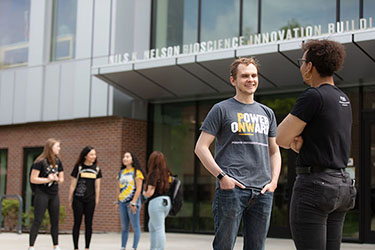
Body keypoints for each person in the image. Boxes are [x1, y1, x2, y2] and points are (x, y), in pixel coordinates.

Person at [276, 39, 356, 250]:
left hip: (315, 187)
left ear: (310, 66)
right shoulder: (343, 99)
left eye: (302, 62)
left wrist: (296, 140)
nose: (301, 66)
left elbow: (281, 137)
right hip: (341, 186)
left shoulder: (313, 96)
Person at [194, 57, 281, 250]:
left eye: (254, 75)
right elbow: (200, 147)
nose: (251, 79)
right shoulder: (221, 109)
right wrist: (222, 177)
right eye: (245, 76)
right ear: (233, 80)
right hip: (231, 191)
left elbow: (274, 151)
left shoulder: (267, 113)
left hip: (262, 192)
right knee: (224, 247)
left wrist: (274, 181)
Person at [29, 138, 64, 250]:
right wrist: (47, 179)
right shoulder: (40, 161)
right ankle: (31, 246)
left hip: (54, 194)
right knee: (38, 220)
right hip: (42, 193)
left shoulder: (58, 162)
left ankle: (56, 245)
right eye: (57, 146)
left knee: (55, 220)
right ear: (50, 148)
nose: (59, 149)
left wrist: (56, 179)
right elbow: (33, 179)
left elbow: (62, 178)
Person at [68, 146, 102, 250]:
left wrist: (96, 200)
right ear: (85, 155)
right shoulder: (78, 168)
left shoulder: (97, 169)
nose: (93, 156)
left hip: (90, 200)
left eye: (94, 154)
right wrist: (70, 199)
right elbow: (72, 185)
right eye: (91, 154)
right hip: (78, 199)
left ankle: (87, 247)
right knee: (77, 223)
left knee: (89, 223)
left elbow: (97, 186)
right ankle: (76, 247)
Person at [143, 151, 173, 250]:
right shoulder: (167, 173)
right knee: (152, 226)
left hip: (156, 202)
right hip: (166, 201)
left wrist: (143, 194)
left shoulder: (153, 173)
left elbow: (150, 192)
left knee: (159, 228)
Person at [116, 152, 144, 250]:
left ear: (133, 159)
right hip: (122, 203)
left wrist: (134, 202)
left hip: (132, 203)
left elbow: (139, 189)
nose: (125, 158)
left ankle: (134, 247)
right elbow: (118, 188)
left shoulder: (137, 172)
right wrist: (117, 201)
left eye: (127, 157)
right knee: (124, 227)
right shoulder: (121, 173)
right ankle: (123, 246)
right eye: (124, 157)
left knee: (135, 226)